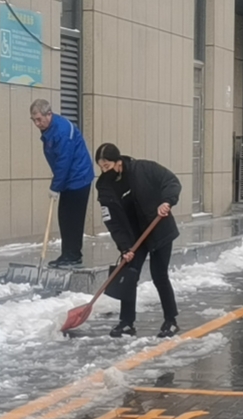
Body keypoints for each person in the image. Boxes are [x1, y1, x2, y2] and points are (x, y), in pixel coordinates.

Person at [94, 143, 181, 338]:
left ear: (118, 162)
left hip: (158, 228)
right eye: (101, 167)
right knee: (129, 275)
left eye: (107, 166)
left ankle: (171, 321)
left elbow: (171, 181)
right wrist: (125, 247)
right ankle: (126, 323)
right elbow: (111, 221)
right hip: (134, 237)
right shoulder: (104, 186)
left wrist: (167, 201)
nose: (104, 171)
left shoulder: (143, 169)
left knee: (159, 275)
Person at [29, 99, 94, 268]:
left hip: (79, 178)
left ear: (49, 114)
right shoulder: (50, 128)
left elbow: (64, 161)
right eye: (34, 120)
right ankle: (68, 254)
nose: (37, 124)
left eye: (39, 119)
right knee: (65, 218)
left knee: (73, 219)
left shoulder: (62, 131)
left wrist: (55, 186)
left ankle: (73, 255)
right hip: (68, 179)